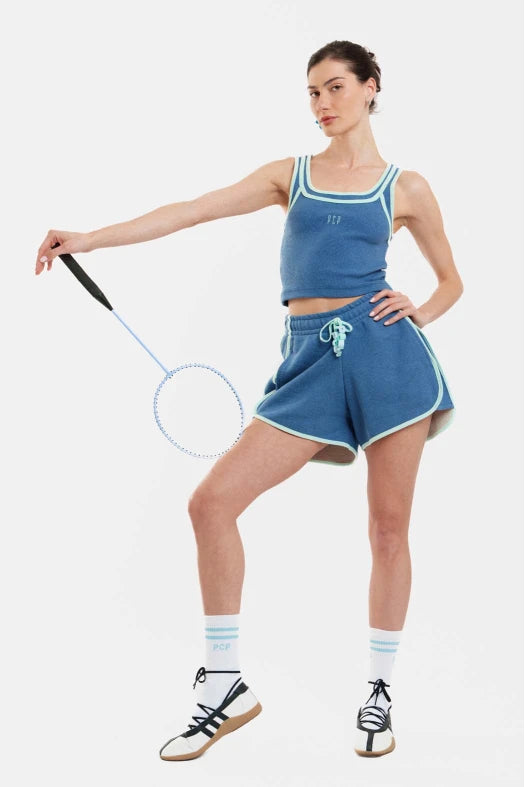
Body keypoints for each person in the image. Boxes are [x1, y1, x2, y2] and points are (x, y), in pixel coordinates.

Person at [35, 40, 463, 760]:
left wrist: (417, 309)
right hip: (307, 365)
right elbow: (191, 211)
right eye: (311, 93)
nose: (321, 104)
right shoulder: (288, 175)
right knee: (210, 502)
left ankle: (377, 694)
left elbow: (453, 281)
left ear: (369, 88)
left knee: (387, 531)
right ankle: (225, 685)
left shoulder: (405, 186)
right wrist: (92, 238)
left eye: (333, 88)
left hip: (389, 365)